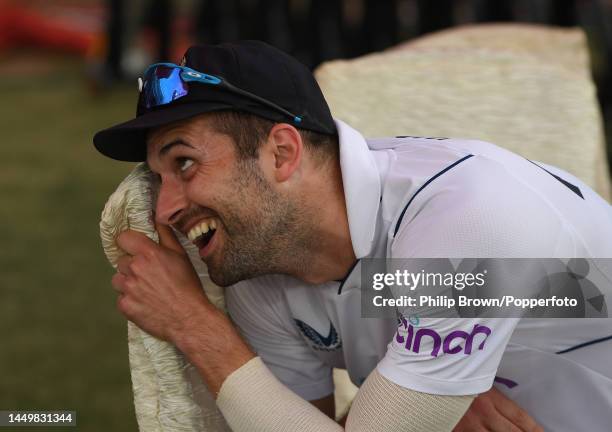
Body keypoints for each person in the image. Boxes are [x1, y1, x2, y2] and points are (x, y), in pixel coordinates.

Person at [93, 40, 612, 431]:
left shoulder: (464, 215)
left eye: (184, 163)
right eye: (157, 180)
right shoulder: (261, 274)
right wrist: (431, 403)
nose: (165, 209)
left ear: (282, 153)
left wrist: (194, 325)